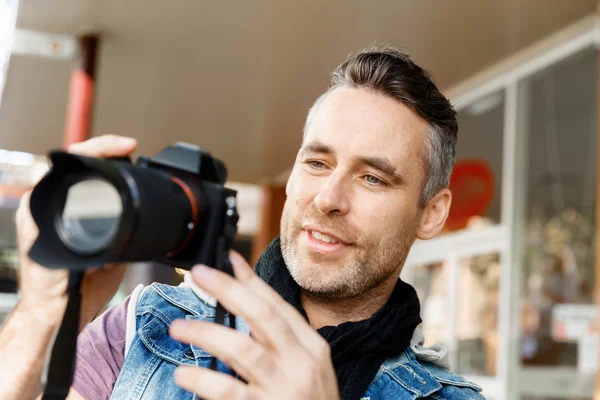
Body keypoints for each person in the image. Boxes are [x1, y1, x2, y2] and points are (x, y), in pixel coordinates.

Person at [0, 47, 485, 400]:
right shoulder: (148, 325)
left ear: (432, 213)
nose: (329, 198)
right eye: (317, 163)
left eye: (373, 178)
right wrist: (41, 316)